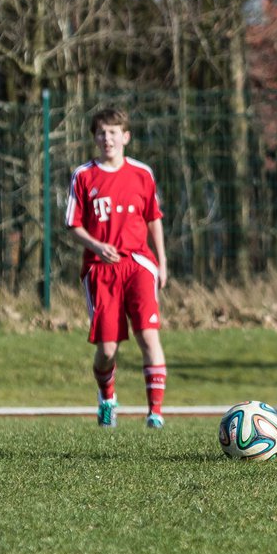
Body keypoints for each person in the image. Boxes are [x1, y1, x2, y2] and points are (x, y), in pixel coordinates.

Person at [66, 106, 170, 429]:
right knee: (107, 348)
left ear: (125, 136)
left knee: (148, 336)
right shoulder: (83, 176)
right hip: (100, 269)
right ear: (95, 138)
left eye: (113, 132)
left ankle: (155, 413)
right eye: (101, 133)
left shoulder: (142, 174)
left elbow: (154, 219)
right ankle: (107, 398)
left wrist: (162, 262)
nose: (106, 138)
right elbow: (72, 223)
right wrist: (97, 245)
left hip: (139, 263)